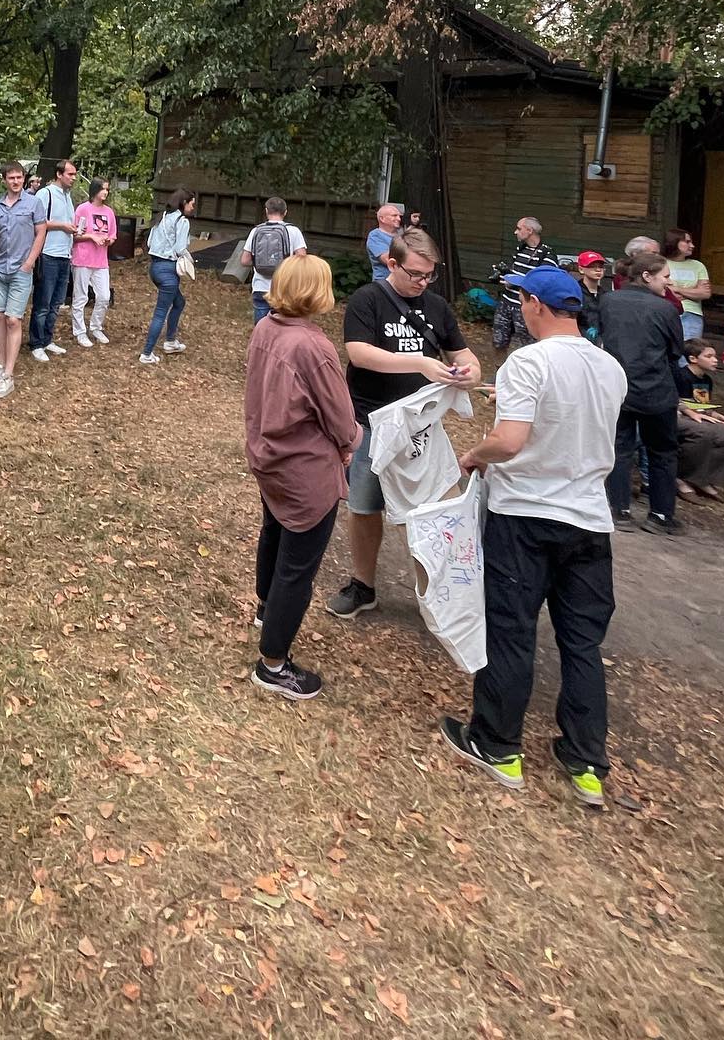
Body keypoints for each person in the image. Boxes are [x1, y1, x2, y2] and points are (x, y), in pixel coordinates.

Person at [439, 265, 628, 809]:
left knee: (511, 629)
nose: (521, 310)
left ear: (535, 304)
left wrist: (475, 455)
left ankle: (497, 744)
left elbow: (511, 441)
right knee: (582, 642)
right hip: (588, 521)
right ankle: (586, 760)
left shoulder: (528, 362)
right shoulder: (609, 366)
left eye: (522, 301)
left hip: (525, 516)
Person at [327, 226, 480, 619]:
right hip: (371, 424)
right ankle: (363, 585)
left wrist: (469, 372)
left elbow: (464, 355)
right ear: (392, 264)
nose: (423, 282)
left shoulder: (437, 307)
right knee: (364, 507)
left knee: (430, 512)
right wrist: (420, 363)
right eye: (415, 274)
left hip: (421, 431)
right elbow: (359, 354)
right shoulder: (368, 300)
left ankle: (436, 595)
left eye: (430, 275)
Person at [245, 254, 358, 701]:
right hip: (305, 470)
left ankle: (266, 608)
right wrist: (350, 441)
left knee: (274, 530)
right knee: (297, 565)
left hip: (269, 457)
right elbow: (341, 418)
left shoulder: (265, 327)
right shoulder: (314, 347)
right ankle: (273, 664)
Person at [598, 251, 685, 534]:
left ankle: (618, 509)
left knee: (619, 448)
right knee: (662, 452)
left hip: (618, 386)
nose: (668, 282)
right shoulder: (666, 309)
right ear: (647, 276)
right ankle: (660, 515)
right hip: (655, 390)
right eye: (666, 277)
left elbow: (601, 337)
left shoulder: (608, 301)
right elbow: (676, 350)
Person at [0, 162, 45, 402]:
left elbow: (41, 232)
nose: (15, 181)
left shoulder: (33, 204)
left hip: (21, 270)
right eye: (11, 177)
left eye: (19, 177)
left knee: (13, 319)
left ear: (24, 179)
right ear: (4, 180)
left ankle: (9, 374)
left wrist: (30, 262)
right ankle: (0, 365)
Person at [676, 338, 724, 500]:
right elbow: (676, 401)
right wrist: (692, 412)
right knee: (705, 433)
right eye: (709, 356)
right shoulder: (680, 376)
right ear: (693, 359)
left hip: (698, 416)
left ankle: (704, 478)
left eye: (714, 356)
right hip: (679, 416)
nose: (715, 360)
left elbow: (702, 406)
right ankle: (682, 478)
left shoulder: (706, 380)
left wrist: (715, 415)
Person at [28, 160, 81, 364]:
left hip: (65, 255)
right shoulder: (45, 194)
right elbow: (37, 221)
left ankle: (47, 339)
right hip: (48, 254)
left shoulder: (68, 197)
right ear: (59, 174)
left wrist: (74, 229)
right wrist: (62, 226)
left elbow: (67, 223)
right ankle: (36, 343)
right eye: (70, 174)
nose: (73, 178)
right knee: (43, 302)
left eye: (75, 174)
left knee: (56, 302)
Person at [140, 190, 197, 365]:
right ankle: (147, 353)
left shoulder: (161, 217)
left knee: (179, 302)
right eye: (192, 204)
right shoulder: (182, 221)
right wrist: (190, 260)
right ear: (184, 203)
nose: (193, 207)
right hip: (168, 270)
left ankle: (170, 341)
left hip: (155, 268)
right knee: (160, 313)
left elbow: (149, 243)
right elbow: (180, 248)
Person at [491, 218, 559, 355]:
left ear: (529, 230)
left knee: (526, 347)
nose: (515, 232)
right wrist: (503, 274)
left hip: (526, 306)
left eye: (519, 228)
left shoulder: (547, 254)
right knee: (498, 342)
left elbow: (544, 283)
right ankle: (500, 368)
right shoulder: (520, 249)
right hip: (506, 302)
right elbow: (515, 272)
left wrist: (517, 283)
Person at [240, 198, 308, 325]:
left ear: (266, 211)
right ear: (285, 212)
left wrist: (260, 263)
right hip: (285, 288)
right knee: (283, 329)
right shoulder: (293, 231)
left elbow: (244, 260)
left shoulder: (256, 231)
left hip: (261, 287)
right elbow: (302, 259)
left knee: (262, 329)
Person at [70, 178, 118, 347]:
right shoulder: (83, 209)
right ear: (95, 190)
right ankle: (79, 331)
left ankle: (96, 327)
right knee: (80, 297)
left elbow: (113, 235)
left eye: (107, 189)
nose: (105, 192)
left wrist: (108, 241)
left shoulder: (109, 212)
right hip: (82, 258)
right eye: (102, 189)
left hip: (101, 260)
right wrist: (91, 236)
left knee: (104, 296)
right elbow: (75, 235)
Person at [662, 229, 711, 342]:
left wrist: (675, 289)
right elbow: (656, 288)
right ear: (674, 242)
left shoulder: (698, 266)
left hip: (691, 314)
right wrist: (692, 291)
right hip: (665, 312)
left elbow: (705, 293)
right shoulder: (661, 263)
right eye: (687, 242)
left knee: (689, 349)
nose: (692, 246)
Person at [575, 251, 610, 342]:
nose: (598, 270)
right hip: (579, 340)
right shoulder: (574, 292)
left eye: (601, 266)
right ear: (581, 269)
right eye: (592, 266)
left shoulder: (607, 295)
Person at [365, 204, 403, 283]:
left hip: (402, 284)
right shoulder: (375, 236)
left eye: (399, 216)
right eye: (394, 216)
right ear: (382, 219)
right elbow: (388, 260)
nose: (399, 219)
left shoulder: (402, 235)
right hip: (384, 284)